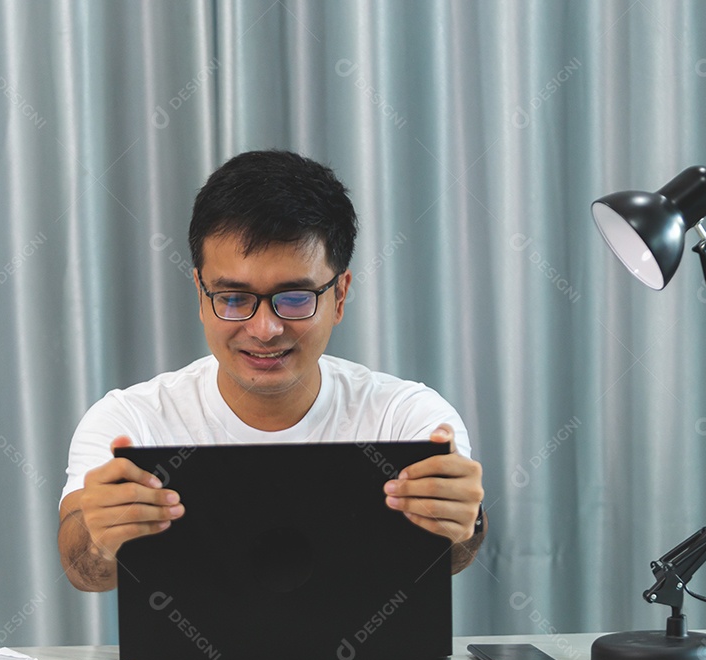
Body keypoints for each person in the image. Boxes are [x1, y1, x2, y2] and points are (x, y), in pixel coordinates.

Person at [58, 149, 485, 592]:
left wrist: (464, 522)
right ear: (201, 295)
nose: (264, 330)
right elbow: (82, 570)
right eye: (233, 298)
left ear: (339, 296)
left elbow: (454, 554)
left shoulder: (406, 417)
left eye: (295, 298)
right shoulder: (131, 420)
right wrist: (98, 538)